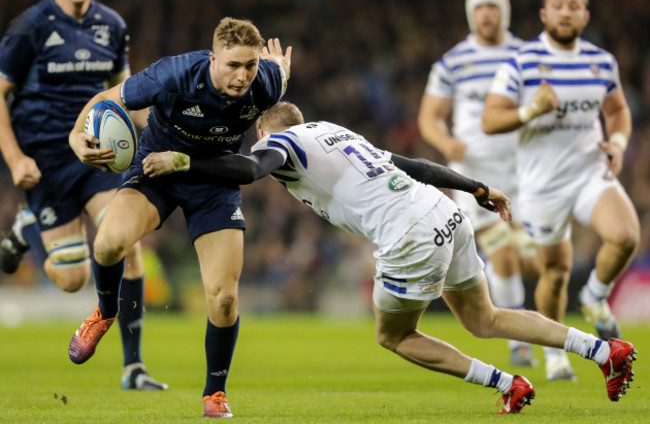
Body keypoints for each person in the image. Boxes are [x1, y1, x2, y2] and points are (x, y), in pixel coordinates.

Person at [143, 101, 637, 414]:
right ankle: (604, 351)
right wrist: (478, 189)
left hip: (409, 235)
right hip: (446, 213)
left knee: (392, 335)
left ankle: (508, 383)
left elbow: (251, 168)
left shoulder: (281, 144)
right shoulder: (338, 133)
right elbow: (415, 165)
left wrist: (184, 160)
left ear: (271, 134)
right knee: (485, 318)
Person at [66, 16, 291, 418]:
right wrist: (75, 137)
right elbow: (108, 99)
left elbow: (277, 77)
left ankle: (215, 394)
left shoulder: (268, 81)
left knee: (223, 297)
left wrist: (277, 71)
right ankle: (105, 312)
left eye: (251, 65)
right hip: (156, 169)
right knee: (108, 242)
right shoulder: (172, 74)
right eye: (233, 65)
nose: (243, 76)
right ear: (212, 58)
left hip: (212, 181)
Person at [0, 0, 167, 390]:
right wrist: (15, 160)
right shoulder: (30, 26)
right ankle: (29, 227)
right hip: (46, 162)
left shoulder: (112, 25)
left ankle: (134, 368)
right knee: (72, 279)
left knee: (125, 242)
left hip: (98, 153)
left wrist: (165, 135)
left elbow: (126, 93)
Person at [482, 0, 639, 381]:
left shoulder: (600, 61)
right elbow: (490, 119)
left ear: (585, 15)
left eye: (574, 6)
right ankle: (556, 354)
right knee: (555, 271)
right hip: (542, 185)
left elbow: (617, 111)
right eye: (559, 6)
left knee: (625, 236)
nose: (566, 12)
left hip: (588, 172)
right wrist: (531, 109)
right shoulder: (522, 62)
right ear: (544, 14)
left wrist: (617, 144)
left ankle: (595, 299)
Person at [417, 0, 539, 368]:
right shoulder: (454, 61)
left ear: (504, 13)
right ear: (472, 14)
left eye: (493, 8)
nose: (487, 15)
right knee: (505, 254)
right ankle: (519, 343)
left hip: (522, 171)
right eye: (481, 8)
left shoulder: (526, 56)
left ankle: (480, 265)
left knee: (531, 259)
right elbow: (429, 116)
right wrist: (446, 142)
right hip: (474, 176)